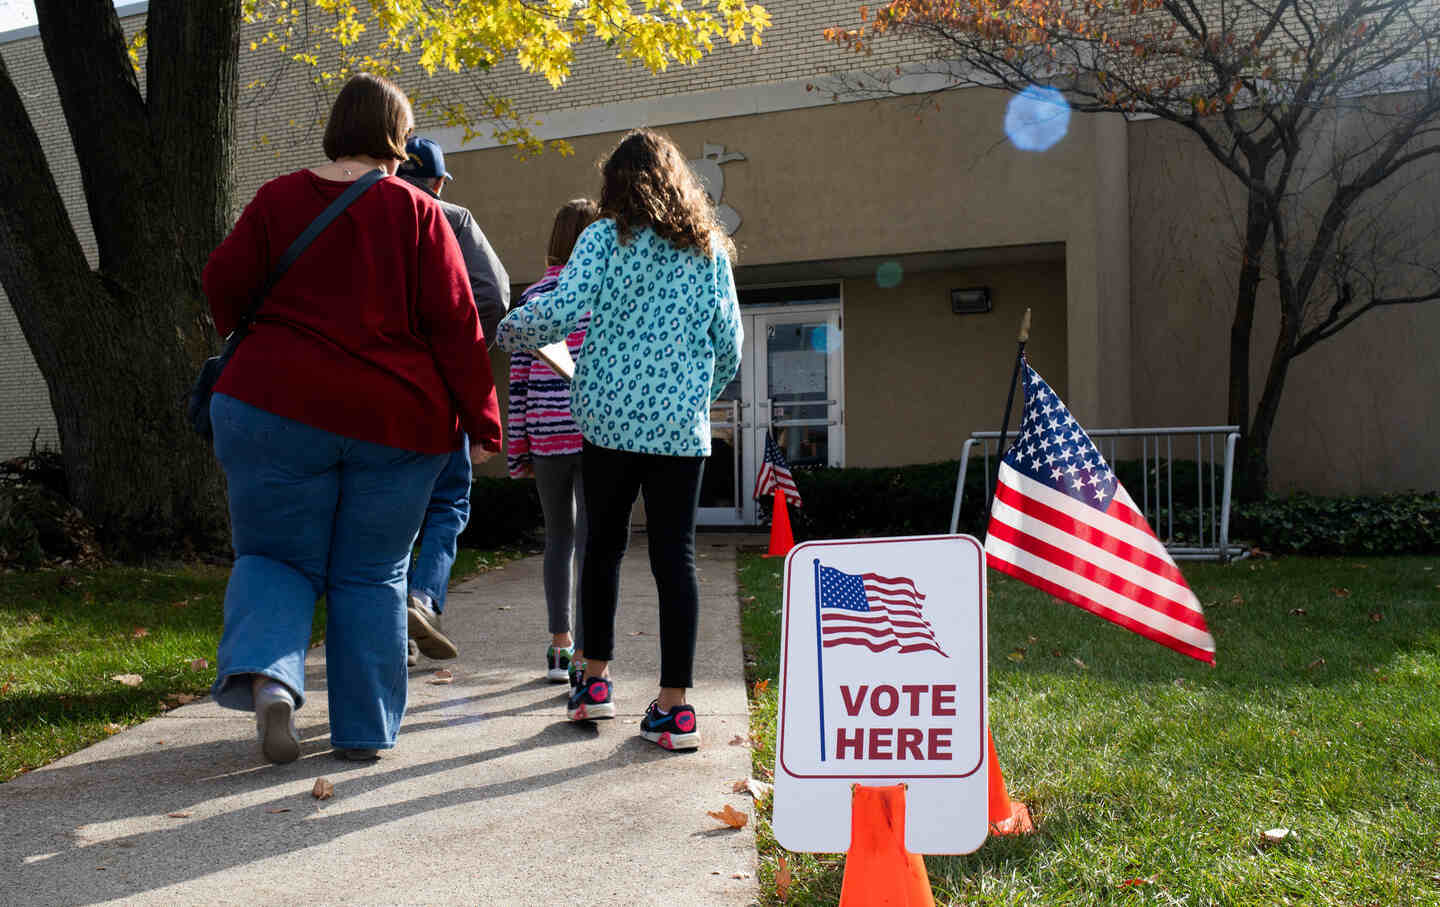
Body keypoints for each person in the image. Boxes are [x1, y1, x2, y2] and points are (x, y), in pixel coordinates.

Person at [202, 73, 502, 764]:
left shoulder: (278, 198)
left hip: (273, 403)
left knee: (274, 555)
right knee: (372, 572)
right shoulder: (419, 213)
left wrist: (261, 335)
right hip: (394, 419)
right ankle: (363, 732)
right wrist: (482, 426)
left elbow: (222, 279)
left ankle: (273, 684)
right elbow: (458, 326)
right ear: (396, 135)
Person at [495, 129, 743, 751]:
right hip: (679, 432)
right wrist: (692, 395)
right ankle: (676, 708)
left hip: (607, 421)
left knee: (602, 548)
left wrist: (507, 329)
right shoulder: (710, 249)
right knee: (674, 561)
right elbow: (730, 348)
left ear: (615, 184)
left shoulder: (604, 238)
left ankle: (595, 684)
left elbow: (559, 311)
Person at [396, 136, 511, 666]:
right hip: (440, 388)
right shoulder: (455, 220)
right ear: (439, 181)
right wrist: (463, 349)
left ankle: (387, 626)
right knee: (447, 502)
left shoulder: (374, 215)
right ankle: (421, 596)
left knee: (385, 505)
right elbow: (493, 294)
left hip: (378, 386)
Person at [505, 199, 600, 685]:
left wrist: (517, 448)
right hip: (594, 437)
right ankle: (587, 652)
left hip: (545, 438)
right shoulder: (599, 296)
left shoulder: (533, 301)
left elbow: (518, 382)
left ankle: (558, 646)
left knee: (558, 539)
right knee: (592, 543)